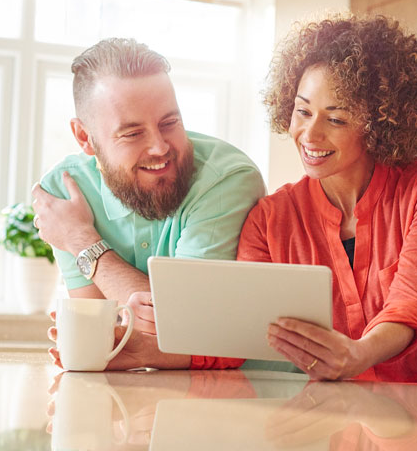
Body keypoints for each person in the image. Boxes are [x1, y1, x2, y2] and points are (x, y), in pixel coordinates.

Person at [237, 14, 417, 390]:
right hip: (344, 412)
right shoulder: (268, 220)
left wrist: (358, 355)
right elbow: (242, 329)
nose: (310, 134)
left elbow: (410, 304)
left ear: (381, 124)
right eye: (303, 111)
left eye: (337, 119)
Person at [32, 38, 265, 370]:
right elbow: (103, 337)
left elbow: (184, 326)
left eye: (170, 123)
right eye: (132, 133)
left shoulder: (226, 179)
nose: (159, 147)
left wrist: (83, 241)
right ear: (85, 138)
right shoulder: (64, 191)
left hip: (248, 394)